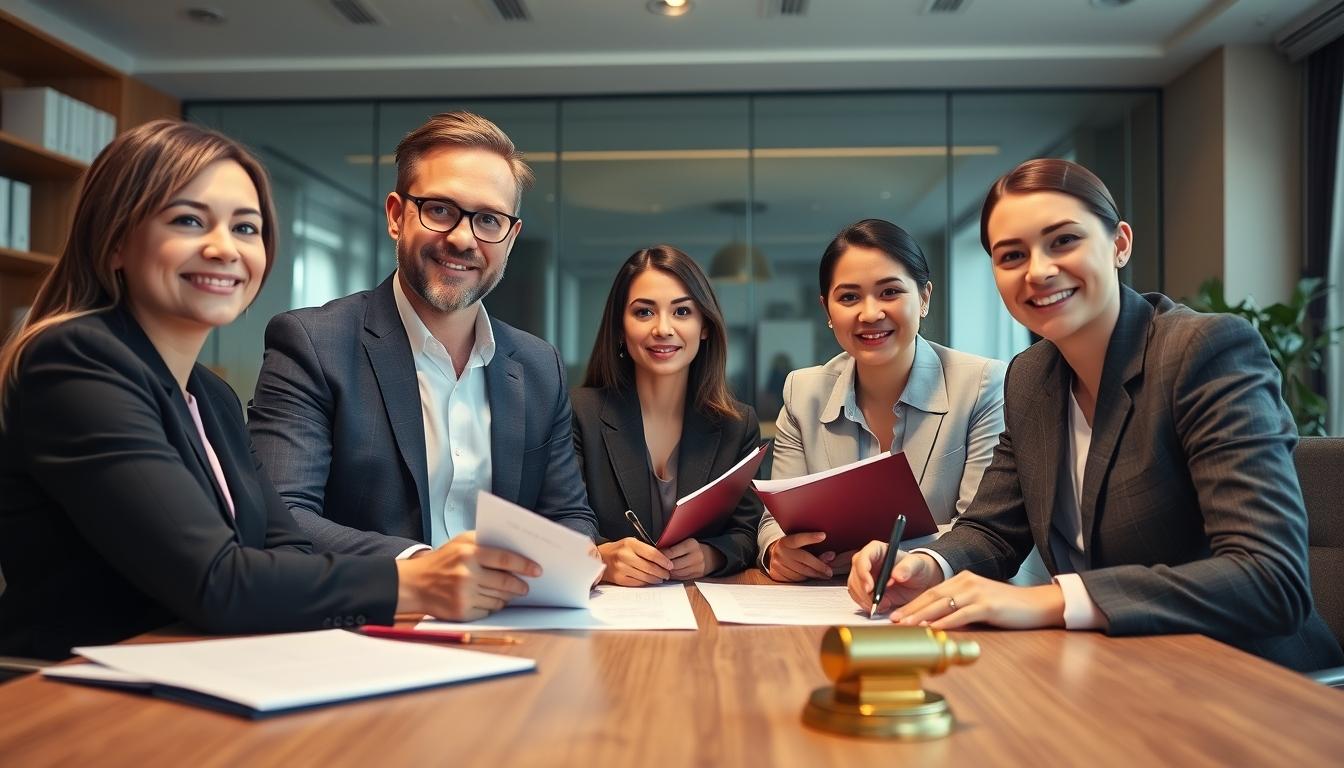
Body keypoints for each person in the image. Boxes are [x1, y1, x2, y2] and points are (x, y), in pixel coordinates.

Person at [0, 120, 541, 659]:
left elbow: (288, 549)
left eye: (245, 228)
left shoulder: (209, 397)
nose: (223, 249)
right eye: (189, 221)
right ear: (115, 240)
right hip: (69, 694)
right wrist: (419, 583)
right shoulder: (74, 361)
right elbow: (218, 580)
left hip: (199, 669)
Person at [848, 158, 1344, 672]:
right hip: (1116, 669)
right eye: (1012, 255)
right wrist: (925, 565)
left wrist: (1057, 598)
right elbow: (994, 529)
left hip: (1250, 679)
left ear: (1120, 243)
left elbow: (1270, 579)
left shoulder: (1202, 352)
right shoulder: (1030, 376)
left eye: (1063, 241)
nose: (1038, 271)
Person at [247, 112, 598, 587]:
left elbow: (569, 515)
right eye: (439, 210)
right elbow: (283, 516)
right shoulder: (313, 345)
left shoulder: (538, 366)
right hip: (375, 629)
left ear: (511, 238)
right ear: (397, 215)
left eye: (488, 220)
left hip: (516, 624)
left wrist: (566, 561)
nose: (461, 238)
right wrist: (423, 569)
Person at [759, 219, 1008, 582]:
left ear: (924, 298)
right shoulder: (803, 392)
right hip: (823, 598)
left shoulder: (982, 385)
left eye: (890, 292)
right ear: (827, 311)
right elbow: (775, 520)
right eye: (848, 297)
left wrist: (895, 558)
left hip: (936, 600)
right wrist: (776, 551)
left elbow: (981, 530)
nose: (870, 313)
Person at [572, 246, 762, 585]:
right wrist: (600, 557)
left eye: (682, 312)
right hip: (607, 614)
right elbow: (558, 521)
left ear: (705, 326)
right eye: (644, 312)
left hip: (704, 612)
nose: (663, 328)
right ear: (620, 327)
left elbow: (748, 532)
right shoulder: (578, 414)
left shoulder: (737, 425)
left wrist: (712, 555)